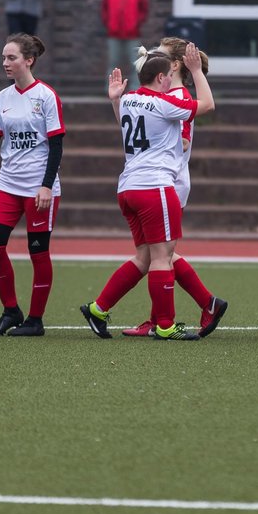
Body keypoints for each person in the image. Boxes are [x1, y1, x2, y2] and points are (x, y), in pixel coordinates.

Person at [80, 43, 218, 341]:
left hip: (128, 187)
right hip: (155, 186)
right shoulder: (165, 102)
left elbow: (127, 127)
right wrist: (196, 71)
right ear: (159, 78)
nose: (170, 80)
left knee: (144, 257)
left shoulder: (128, 99)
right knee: (162, 257)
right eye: (167, 74)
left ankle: (98, 309)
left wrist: (115, 101)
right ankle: (166, 324)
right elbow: (207, 106)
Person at [118, 39, 227, 338]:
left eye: (159, 55)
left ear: (173, 66)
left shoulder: (175, 96)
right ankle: (185, 310)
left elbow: (183, 142)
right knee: (160, 255)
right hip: (157, 181)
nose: (150, 57)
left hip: (167, 181)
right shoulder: (161, 95)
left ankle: (166, 319)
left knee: (159, 255)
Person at [0, 35, 65, 337]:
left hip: (38, 190)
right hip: (7, 185)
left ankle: (35, 319)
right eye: (4, 58)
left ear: (28, 60)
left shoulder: (46, 96)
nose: (5, 63)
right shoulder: (1, 99)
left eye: (11, 58)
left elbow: (56, 146)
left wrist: (46, 186)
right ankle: (11, 310)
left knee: (38, 252)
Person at [100, 0, 149, 90]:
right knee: (113, 63)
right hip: (114, 33)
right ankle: (110, 89)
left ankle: (135, 88)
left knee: (136, 63)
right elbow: (104, 8)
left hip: (132, 33)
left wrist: (136, 23)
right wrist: (108, 23)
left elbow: (144, 8)